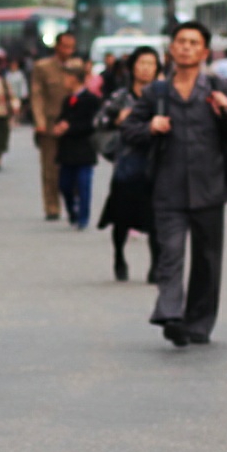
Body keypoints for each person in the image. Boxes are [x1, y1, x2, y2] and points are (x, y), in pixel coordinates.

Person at [122, 21, 227, 347]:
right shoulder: (157, 93)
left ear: (205, 51)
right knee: (171, 253)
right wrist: (150, 125)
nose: (187, 47)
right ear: (172, 49)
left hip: (210, 186)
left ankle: (199, 323)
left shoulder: (217, 87)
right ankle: (170, 315)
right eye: (181, 42)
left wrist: (226, 110)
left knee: (207, 259)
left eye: (194, 43)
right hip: (168, 186)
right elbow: (129, 130)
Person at [97, 45, 162, 282]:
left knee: (156, 218)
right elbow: (99, 121)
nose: (146, 69)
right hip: (127, 164)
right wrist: (117, 118)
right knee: (121, 217)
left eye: (151, 64)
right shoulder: (121, 97)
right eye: (141, 63)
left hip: (156, 163)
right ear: (133, 68)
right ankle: (119, 256)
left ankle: (156, 265)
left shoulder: (163, 96)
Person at [31, 31, 78, 220]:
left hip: (73, 126)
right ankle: (51, 206)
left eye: (71, 47)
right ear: (57, 46)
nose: (67, 50)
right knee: (50, 169)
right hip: (50, 124)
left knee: (74, 167)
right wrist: (40, 122)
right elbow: (37, 96)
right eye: (64, 46)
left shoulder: (77, 68)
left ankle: (72, 202)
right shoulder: (43, 67)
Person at [54, 59, 101, 229]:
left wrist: (69, 127)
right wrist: (59, 125)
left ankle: (83, 217)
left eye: (66, 76)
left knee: (83, 184)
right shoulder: (67, 100)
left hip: (84, 148)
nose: (64, 80)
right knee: (64, 184)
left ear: (74, 78)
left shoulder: (91, 99)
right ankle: (71, 211)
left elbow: (91, 124)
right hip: (67, 149)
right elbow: (62, 117)